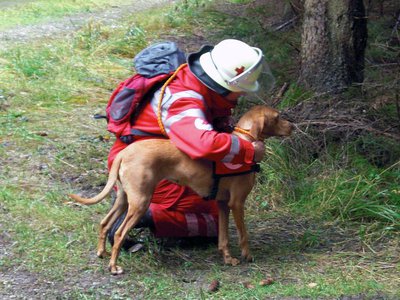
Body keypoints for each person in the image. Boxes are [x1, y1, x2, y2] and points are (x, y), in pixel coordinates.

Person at [107, 39, 267, 249]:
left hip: (158, 159)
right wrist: (248, 150)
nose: (244, 93)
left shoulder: (195, 84)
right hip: (146, 165)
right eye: (241, 88)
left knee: (215, 207)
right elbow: (203, 144)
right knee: (213, 224)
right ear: (223, 85)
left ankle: (139, 203)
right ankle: (145, 213)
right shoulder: (185, 100)